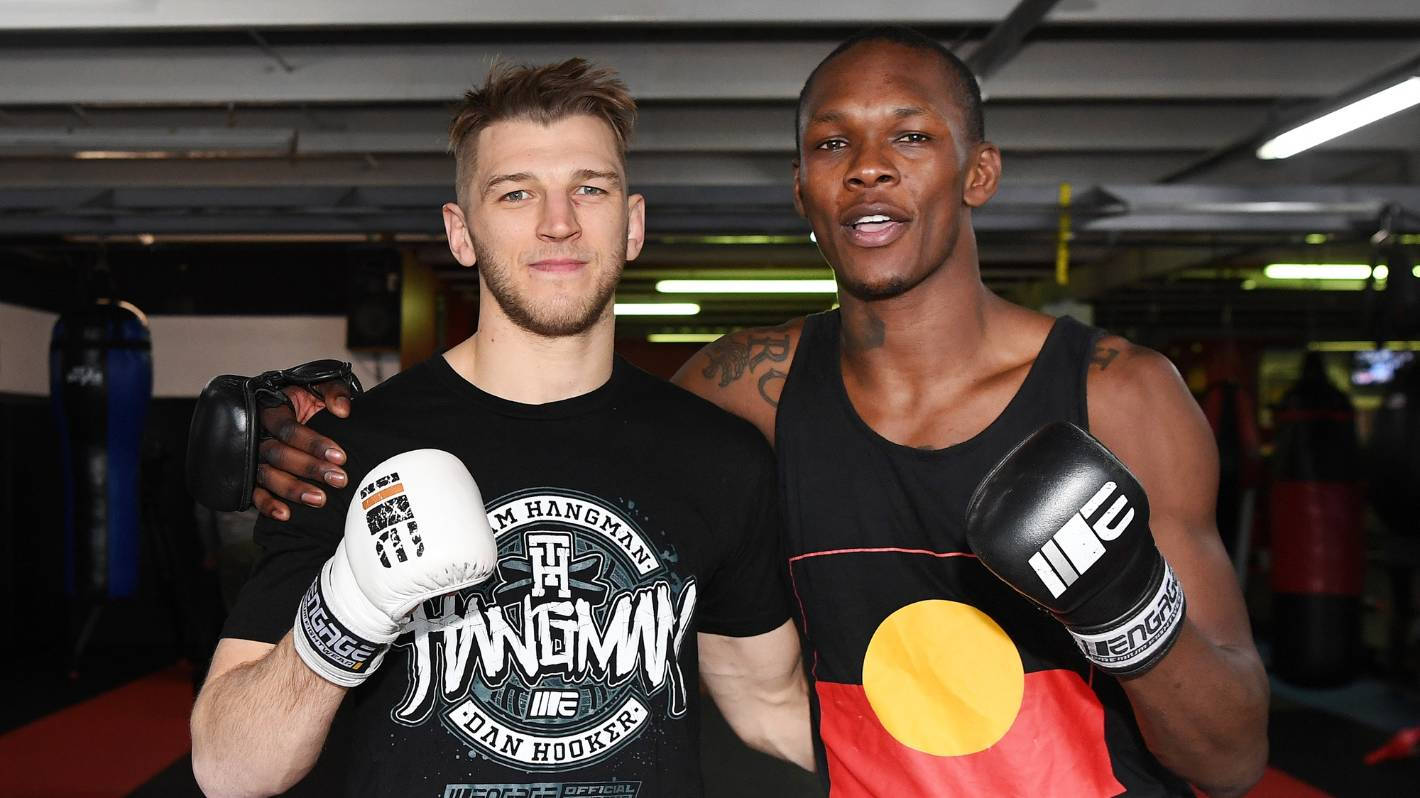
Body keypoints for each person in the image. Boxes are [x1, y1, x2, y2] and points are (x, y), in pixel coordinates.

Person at [227, 28, 1269, 797]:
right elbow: (562, 436)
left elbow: (1231, 755)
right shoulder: (739, 393)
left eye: (910, 134)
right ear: (803, 192)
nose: (868, 164)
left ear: (979, 172)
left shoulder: (1117, 395)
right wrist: (325, 444)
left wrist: (1133, 613)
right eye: (832, 144)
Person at [188, 59, 812, 798]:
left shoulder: (718, 457)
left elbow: (772, 706)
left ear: (634, 222)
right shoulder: (347, 454)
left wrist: (971, 767)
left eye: (590, 187)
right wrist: (347, 608)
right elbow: (228, 771)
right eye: (516, 193)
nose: (559, 221)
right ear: (461, 233)